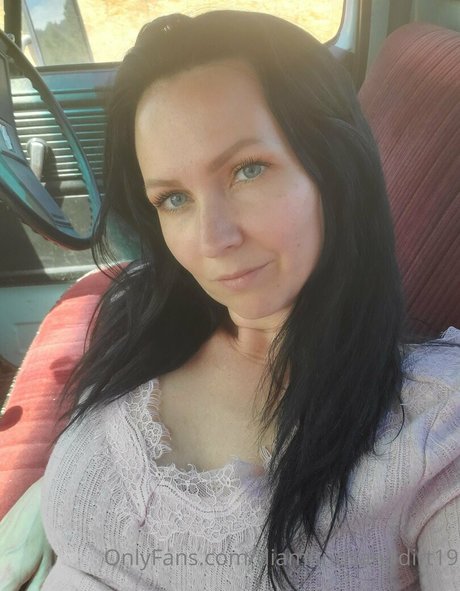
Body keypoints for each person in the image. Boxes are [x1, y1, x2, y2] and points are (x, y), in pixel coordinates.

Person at [0, 9, 459, 591]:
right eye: (173, 199)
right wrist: (45, 501)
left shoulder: (435, 423)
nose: (213, 240)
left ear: (336, 170)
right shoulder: (144, 312)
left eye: (248, 170)